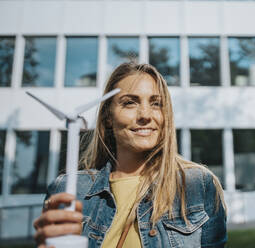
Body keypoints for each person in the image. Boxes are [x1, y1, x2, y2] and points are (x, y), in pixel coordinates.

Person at [33, 63, 227, 248]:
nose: (145, 115)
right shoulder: (68, 189)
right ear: (108, 116)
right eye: (129, 103)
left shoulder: (197, 185)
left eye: (156, 103)